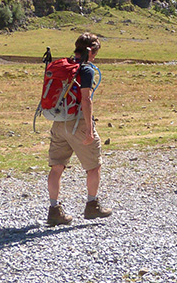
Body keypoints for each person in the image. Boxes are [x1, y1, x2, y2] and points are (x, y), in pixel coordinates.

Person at [46, 32, 112, 226]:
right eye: (95, 53)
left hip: (59, 122)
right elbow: (86, 99)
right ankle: (92, 205)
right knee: (94, 166)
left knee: (57, 166)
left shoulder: (64, 65)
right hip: (78, 123)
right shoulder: (86, 69)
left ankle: (54, 210)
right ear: (91, 51)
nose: (95, 58)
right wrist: (89, 129)